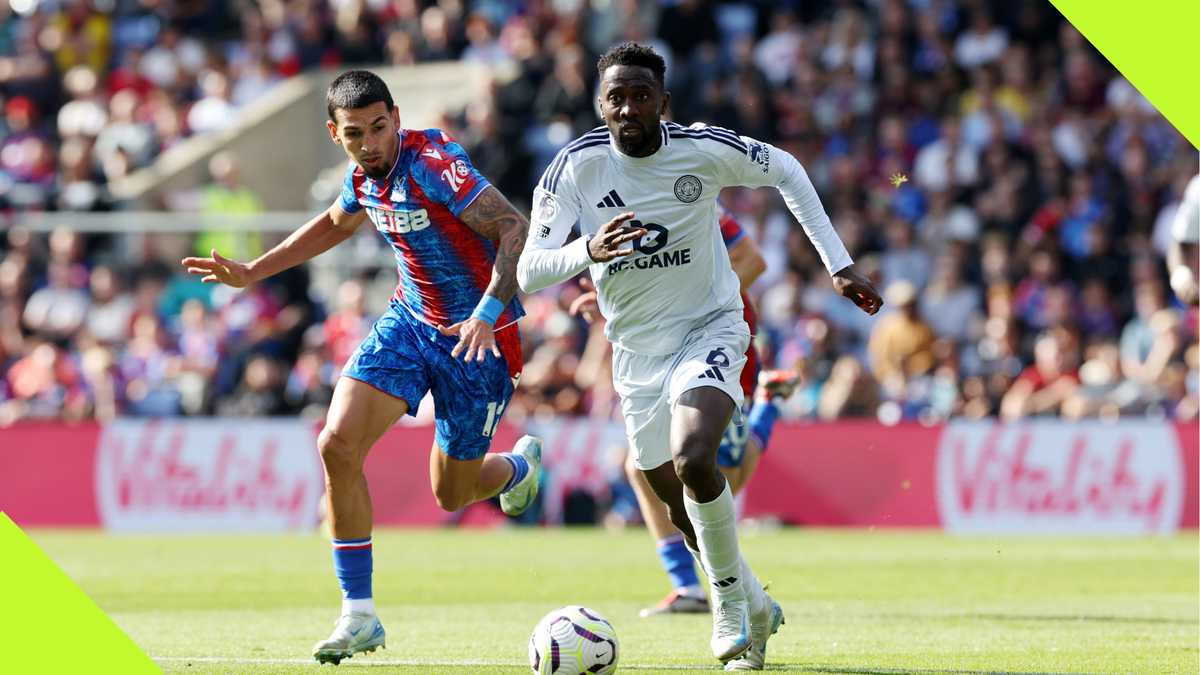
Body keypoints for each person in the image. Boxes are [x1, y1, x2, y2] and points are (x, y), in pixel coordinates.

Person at [516, 44, 881, 670]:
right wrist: (590, 251)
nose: (628, 107)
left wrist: (838, 265)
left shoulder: (700, 148)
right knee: (672, 497)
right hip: (634, 352)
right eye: (616, 96)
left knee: (693, 456)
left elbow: (787, 168)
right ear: (599, 104)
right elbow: (529, 269)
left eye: (640, 95)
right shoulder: (575, 167)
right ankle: (755, 602)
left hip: (709, 327)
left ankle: (729, 607)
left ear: (664, 102)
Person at [181, 70, 542, 666]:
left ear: (396, 117)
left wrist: (485, 311)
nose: (371, 142)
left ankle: (514, 470)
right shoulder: (360, 179)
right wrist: (253, 271)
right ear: (335, 134)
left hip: (479, 339)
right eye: (356, 133)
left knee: (452, 493)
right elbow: (333, 223)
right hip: (410, 323)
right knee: (336, 444)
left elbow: (513, 227)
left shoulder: (433, 164)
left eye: (380, 127)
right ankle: (359, 615)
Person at [571, 205, 800, 618]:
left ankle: (768, 403)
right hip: (660, 352)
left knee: (721, 477)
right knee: (642, 468)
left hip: (715, 347)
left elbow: (752, 259)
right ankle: (686, 586)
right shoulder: (622, 200)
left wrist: (693, 305)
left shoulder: (694, 195)